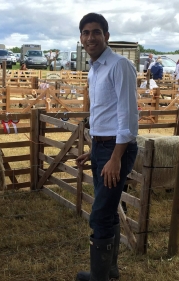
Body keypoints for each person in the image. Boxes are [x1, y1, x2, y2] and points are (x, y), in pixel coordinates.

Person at [75, 13, 138, 281]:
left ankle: (99, 278)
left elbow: (128, 116)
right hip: (103, 148)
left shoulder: (119, 65)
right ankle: (110, 272)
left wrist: (115, 157)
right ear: (81, 38)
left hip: (116, 150)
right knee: (108, 211)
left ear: (106, 36)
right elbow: (105, 113)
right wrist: (95, 149)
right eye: (86, 32)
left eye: (96, 32)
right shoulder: (95, 68)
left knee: (99, 215)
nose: (91, 37)